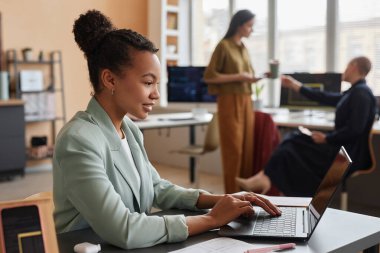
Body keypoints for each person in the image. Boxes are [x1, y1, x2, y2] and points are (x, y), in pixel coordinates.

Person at [52, 10, 281, 250]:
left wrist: (221, 200)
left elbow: (156, 188)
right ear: (110, 80)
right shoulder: (78, 140)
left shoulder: (129, 129)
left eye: (157, 84)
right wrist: (212, 219)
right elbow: (123, 229)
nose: (156, 94)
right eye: (148, 82)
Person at [236, 56, 377, 197]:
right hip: (340, 146)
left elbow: (354, 130)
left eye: (347, 66)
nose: (344, 70)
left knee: (290, 147)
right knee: (293, 139)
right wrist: (294, 85)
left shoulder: (361, 94)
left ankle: (268, 181)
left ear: (354, 66)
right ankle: (264, 178)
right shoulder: (355, 92)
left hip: (346, 154)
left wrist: (326, 139)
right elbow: (323, 96)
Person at [203, 9, 264, 193]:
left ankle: (245, 195)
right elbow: (210, 76)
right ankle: (232, 195)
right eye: (249, 26)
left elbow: (247, 75)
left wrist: (254, 78)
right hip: (229, 101)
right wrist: (239, 76)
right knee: (234, 150)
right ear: (239, 25)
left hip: (246, 99)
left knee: (247, 148)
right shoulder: (224, 46)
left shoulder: (243, 48)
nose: (251, 30)